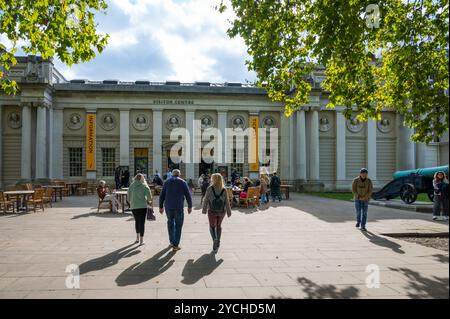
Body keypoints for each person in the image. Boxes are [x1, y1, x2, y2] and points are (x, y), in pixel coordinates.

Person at [159, 169, 193, 252]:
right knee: (178, 225)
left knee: (170, 223)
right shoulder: (182, 182)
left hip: (168, 207)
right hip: (178, 207)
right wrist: (190, 206)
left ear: (172, 175)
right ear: (179, 175)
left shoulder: (167, 182)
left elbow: (162, 195)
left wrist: (160, 207)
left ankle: (171, 241)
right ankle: (175, 245)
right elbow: (188, 195)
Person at [202, 173, 232, 252]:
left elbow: (206, 200)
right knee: (219, 226)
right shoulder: (224, 189)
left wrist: (204, 210)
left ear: (213, 179)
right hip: (222, 211)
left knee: (212, 227)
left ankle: (214, 239)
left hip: (212, 211)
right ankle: (218, 241)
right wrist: (229, 212)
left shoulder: (209, 188)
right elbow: (227, 202)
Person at [128, 174, 152, 246]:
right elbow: (149, 197)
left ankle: (137, 238)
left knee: (137, 221)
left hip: (133, 206)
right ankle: (141, 239)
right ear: (142, 179)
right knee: (142, 222)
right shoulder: (144, 185)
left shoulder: (131, 186)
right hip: (142, 206)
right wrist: (149, 201)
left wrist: (131, 203)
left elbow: (128, 197)